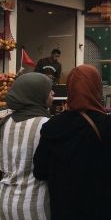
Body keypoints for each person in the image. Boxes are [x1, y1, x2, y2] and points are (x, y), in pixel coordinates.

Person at [33, 65, 111, 220]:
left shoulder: (51, 126)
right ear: (96, 88)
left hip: (64, 210)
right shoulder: (104, 124)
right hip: (102, 209)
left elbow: (40, 170)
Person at [0, 73, 54, 220]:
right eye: (49, 91)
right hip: (35, 203)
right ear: (36, 94)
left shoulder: (5, 123)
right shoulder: (46, 125)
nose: (53, 93)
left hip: (5, 200)